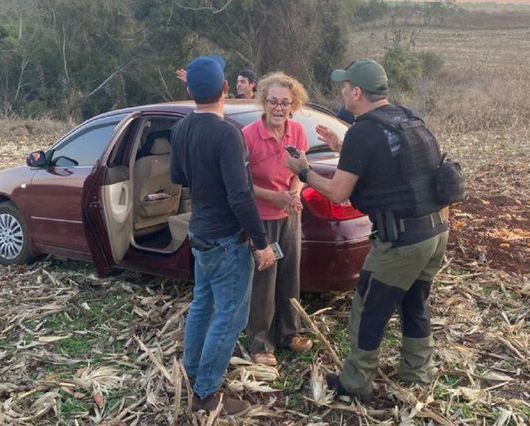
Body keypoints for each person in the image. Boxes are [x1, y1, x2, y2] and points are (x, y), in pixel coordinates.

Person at [286, 59, 450, 402]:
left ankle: (356, 383)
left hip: (401, 241)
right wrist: (342, 149)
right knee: (415, 302)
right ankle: (417, 373)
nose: (342, 90)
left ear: (357, 92)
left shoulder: (363, 131)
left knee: (368, 308)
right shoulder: (408, 119)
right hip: (436, 232)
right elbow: (395, 166)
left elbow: (337, 193)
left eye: (345, 86)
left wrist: (303, 170)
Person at [170, 55, 276, 415]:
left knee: (202, 305)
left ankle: (192, 373)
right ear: (226, 89)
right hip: (228, 240)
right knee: (230, 316)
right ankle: (206, 394)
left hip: (199, 233)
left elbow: (178, 178)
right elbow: (240, 195)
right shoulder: (227, 133)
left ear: (189, 89)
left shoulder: (181, 129)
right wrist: (261, 242)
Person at [242, 72, 313, 367]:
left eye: (284, 102)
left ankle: (289, 333)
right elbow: (241, 185)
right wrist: (276, 198)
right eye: (272, 101)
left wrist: (295, 193)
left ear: (293, 104)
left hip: (288, 216)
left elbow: (301, 171)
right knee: (264, 282)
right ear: (263, 102)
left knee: (289, 275)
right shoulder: (247, 136)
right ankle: (260, 342)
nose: (278, 108)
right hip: (261, 219)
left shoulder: (296, 132)